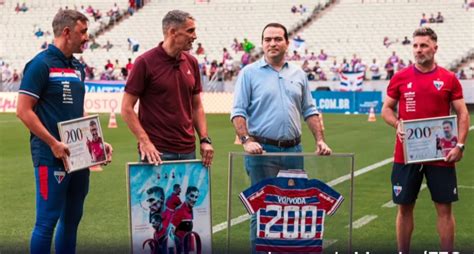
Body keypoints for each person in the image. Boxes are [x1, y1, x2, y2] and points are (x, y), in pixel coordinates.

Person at [16, 10, 113, 253]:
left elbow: (78, 112)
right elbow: (23, 110)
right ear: (67, 32)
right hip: (51, 156)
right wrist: (53, 143)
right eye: (83, 32)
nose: (86, 38)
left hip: (79, 157)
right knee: (46, 222)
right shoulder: (40, 64)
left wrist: (98, 143)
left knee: (71, 222)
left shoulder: (78, 67)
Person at [231, 23, 331, 254]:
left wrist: (320, 140)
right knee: (262, 209)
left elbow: (309, 110)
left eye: (277, 39)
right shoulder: (249, 73)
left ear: (287, 42)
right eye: (267, 39)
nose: (272, 43)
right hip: (262, 152)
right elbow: (238, 111)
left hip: (294, 152)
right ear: (262, 43)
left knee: (293, 208)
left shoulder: (298, 74)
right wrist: (246, 140)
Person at [381, 27, 469, 254]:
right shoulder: (400, 77)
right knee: (404, 207)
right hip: (406, 153)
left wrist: (460, 145)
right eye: (416, 46)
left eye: (424, 45)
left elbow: (463, 113)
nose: (419, 50)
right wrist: (397, 123)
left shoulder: (448, 78)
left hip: (441, 153)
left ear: (435, 48)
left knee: (444, 208)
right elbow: (387, 109)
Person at [121, 10, 214, 167]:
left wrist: (204, 140)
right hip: (156, 152)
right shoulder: (145, 62)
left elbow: (197, 106)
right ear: (173, 32)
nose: (195, 36)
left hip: (188, 151)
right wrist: (145, 142)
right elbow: (126, 108)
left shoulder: (191, 62)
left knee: (186, 192)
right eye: (190, 31)